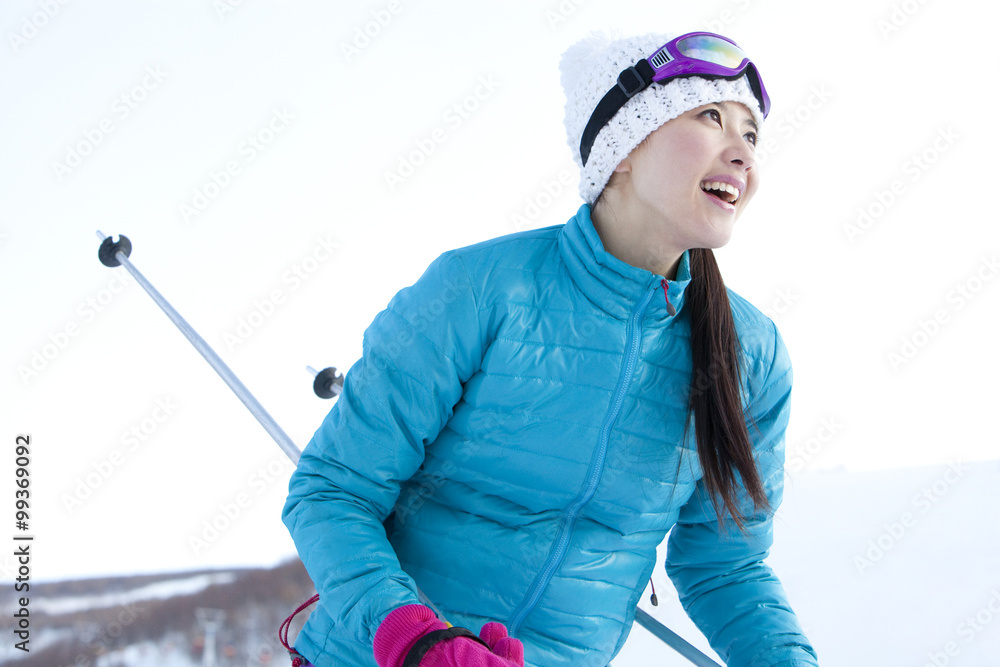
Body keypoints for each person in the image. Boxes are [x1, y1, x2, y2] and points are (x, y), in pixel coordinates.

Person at [282, 30, 819, 667]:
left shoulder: (749, 356)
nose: (743, 154)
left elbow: (726, 568)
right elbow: (332, 492)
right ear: (624, 147)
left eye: (752, 135)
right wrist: (414, 638)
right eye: (711, 117)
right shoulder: (479, 290)